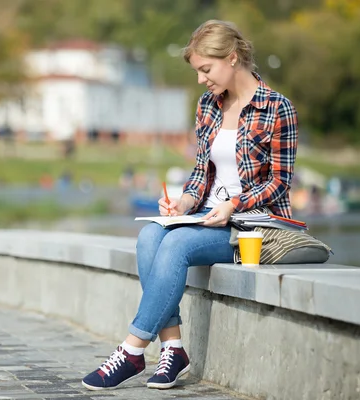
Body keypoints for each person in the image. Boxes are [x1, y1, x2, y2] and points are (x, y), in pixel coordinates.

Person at [81, 19, 298, 391]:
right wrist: (183, 201)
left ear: (232, 59)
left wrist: (234, 204)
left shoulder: (278, 108)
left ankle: (132, 350)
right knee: (150, 236)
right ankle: (174, 348)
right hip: (208, 216)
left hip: (253, 227)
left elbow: (279, 183)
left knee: (177, 244)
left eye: (205, 70)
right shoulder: (208, 106)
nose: (201, 80)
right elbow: (201, 171)